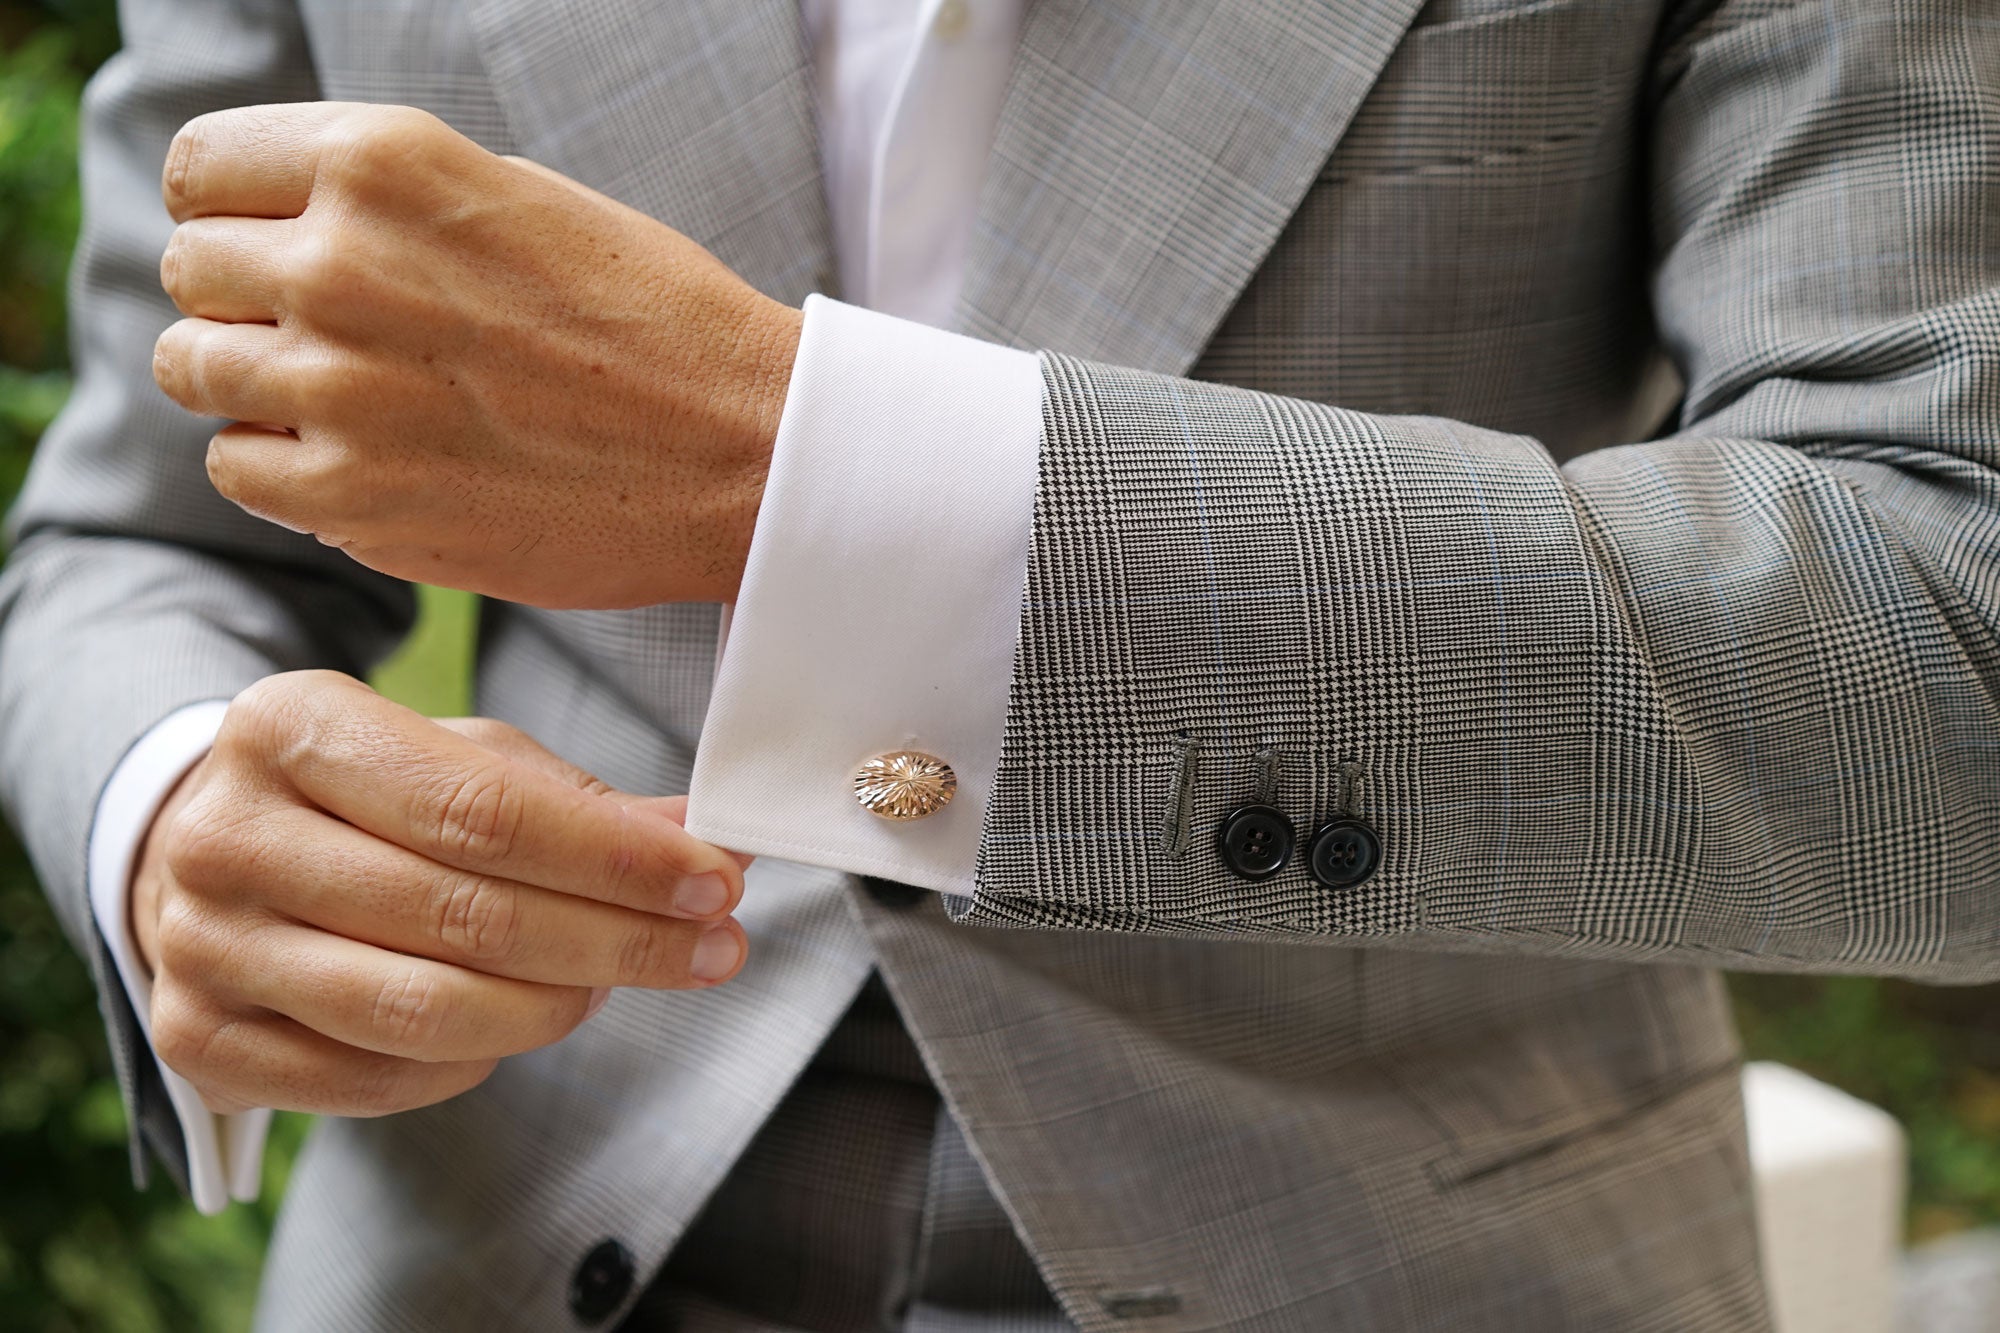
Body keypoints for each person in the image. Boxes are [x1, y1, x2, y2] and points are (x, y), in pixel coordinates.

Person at [3, 0, 1995, 1327]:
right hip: (495, 1224)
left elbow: (1950, 652)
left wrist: (805, 471)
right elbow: (130, 532)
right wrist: (172, 799)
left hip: (1399, 1246)